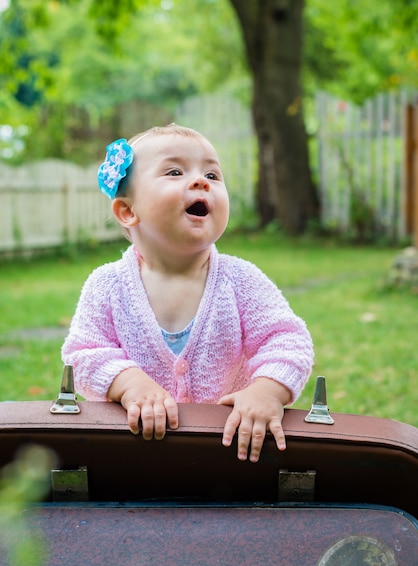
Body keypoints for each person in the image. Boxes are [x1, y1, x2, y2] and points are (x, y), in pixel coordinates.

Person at [62, 124, 314, 462]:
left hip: (228, 453)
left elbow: (287, 340)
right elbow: (83, 354)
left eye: (212, 173)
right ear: (127, 211)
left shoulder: (241, 281)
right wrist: (129, 384)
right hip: (134, 456)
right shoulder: (107, 285)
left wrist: (266, 390)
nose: (201, 181)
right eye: (175, 171)